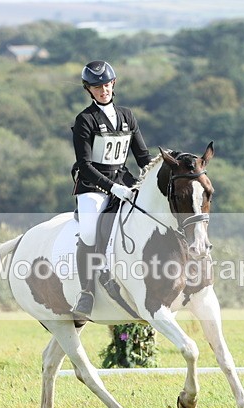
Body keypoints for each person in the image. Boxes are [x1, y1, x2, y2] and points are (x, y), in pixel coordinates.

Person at [71, 60, 153, 319]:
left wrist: (154, 178)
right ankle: (86, 292)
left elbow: (142, 156)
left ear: (113, 84)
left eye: (106, 85)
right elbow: (84, 165)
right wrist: (112, 188)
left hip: (124, 180)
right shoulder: (85, 119)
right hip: (93, 186)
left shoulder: (127, 116)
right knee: (88, 232)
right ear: (88, 89)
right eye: (97, 87)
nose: (103, 90)